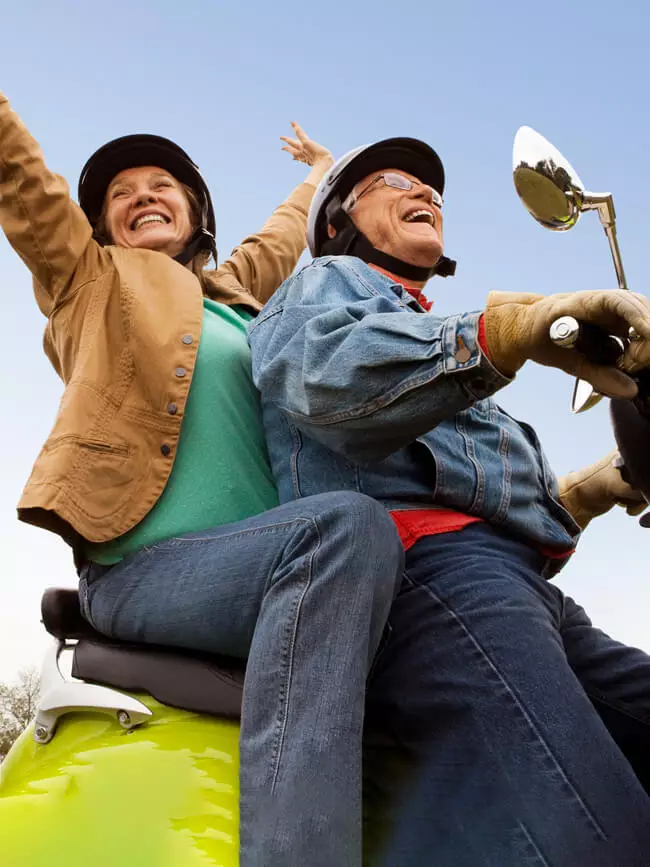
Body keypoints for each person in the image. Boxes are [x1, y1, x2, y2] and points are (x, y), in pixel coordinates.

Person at [0, 92, 406, 867]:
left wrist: (319, 173)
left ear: (196, 215)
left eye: (162, 185)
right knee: (345, 525)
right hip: (146, 574)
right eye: (122, 194)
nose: (143, 195)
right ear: (100, 227)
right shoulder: (90, 280)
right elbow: (20, 179)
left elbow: (282, 240)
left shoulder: (236, 299)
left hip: (276, 570)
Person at [248, 136, 650, 866]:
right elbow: (325, 377)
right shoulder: (324, 286)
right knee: (601, 837)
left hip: (521, 593)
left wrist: (594, 487)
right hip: (425, 579)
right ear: (338, 216)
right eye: (395, 181)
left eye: (433, 189)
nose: (426, 194)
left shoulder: (432, 331)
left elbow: (485, 507)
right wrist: (506, 332)